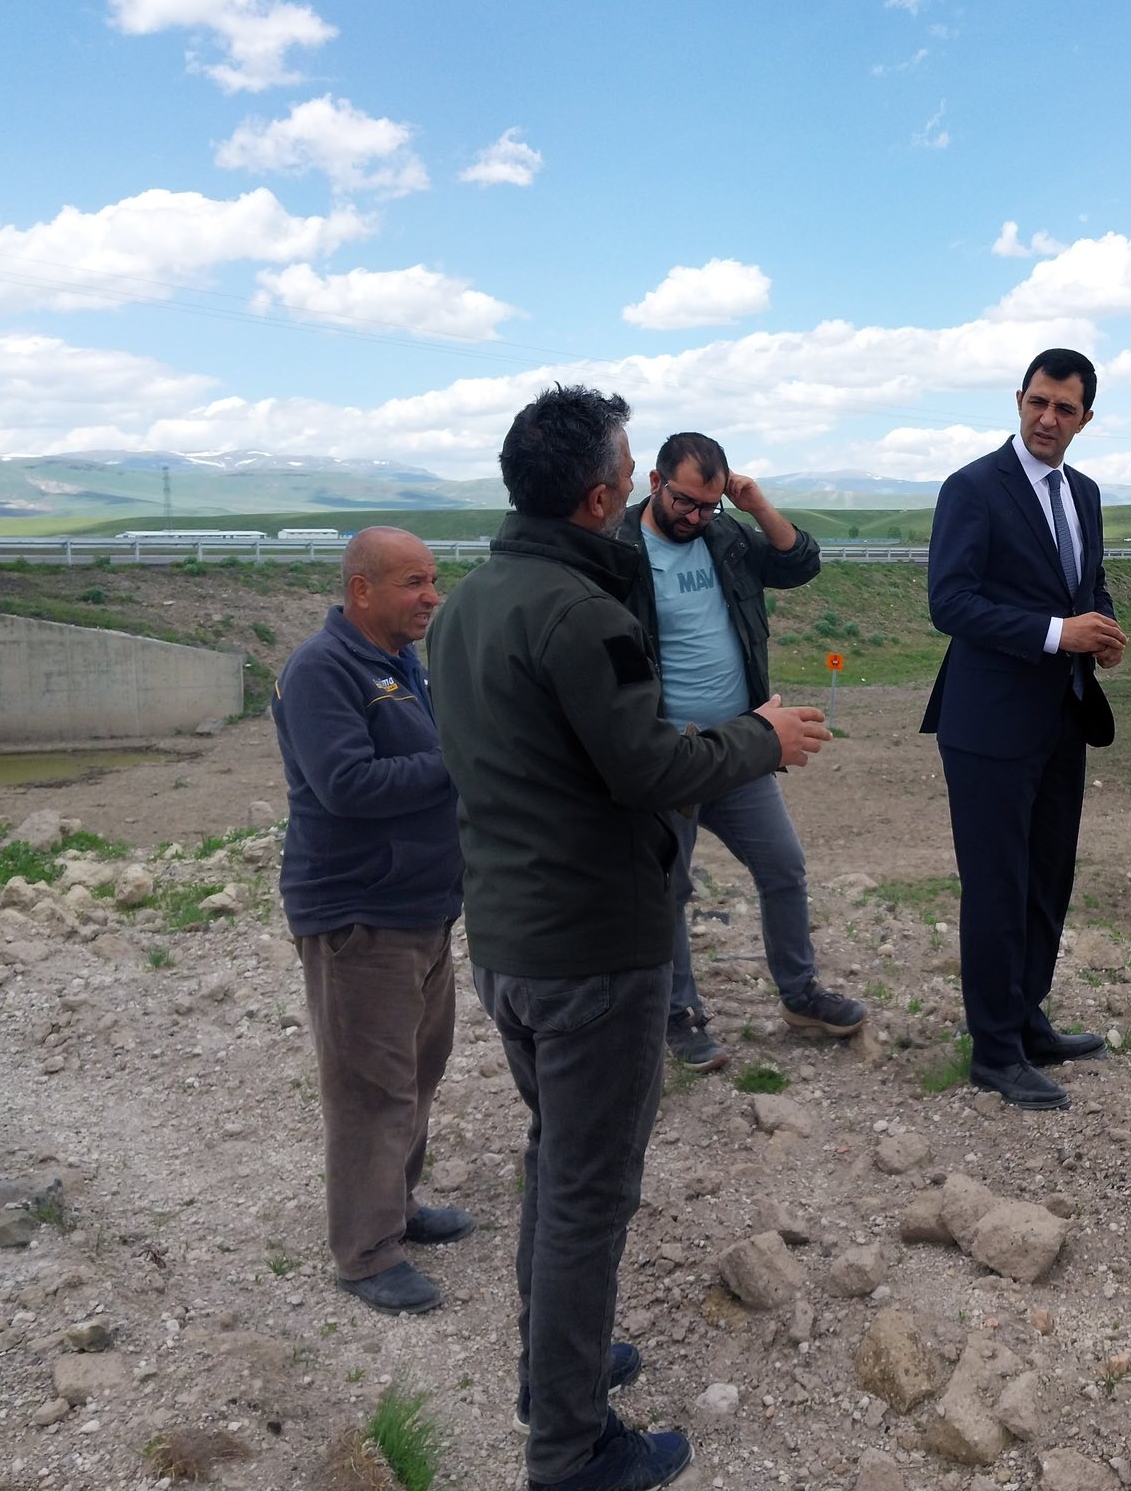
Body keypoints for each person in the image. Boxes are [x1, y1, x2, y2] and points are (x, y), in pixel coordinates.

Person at [428, 385, 831, 1491]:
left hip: (510, 944)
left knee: (554, 1167)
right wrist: (760, 737)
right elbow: (647, 769)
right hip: (592, 952)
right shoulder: (582, 612)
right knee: (585, 1200)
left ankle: (551, 1368)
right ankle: (568, 1446)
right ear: (607, 494)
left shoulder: (469, 602)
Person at [606, 430, 866, 1070]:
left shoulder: (724, 537)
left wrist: (755, 508)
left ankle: (800, 994)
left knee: (783, 866)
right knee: (669, 889)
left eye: (709, 505)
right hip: (668, 752)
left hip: (742, 743)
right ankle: (678, 1016)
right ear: (655, 484)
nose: (695, 517)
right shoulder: (617, 551)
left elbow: (800, 563)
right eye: (686, 503)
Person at [271, 527, 469, 1316]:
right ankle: (364, 1252)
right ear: (361, 590)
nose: (431, 596)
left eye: (433, 580)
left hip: (420, 910)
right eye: (413, 582)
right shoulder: (322, 669)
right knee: (370, 1089)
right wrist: (465, 758)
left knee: (416, 1072)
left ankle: (397, 1207)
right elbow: (346, 783)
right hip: (359, 915)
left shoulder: (397, 664)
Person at [921, 348, 1126, 1111]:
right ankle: (994, 1050)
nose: (1048, 419)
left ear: (1086, 419)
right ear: (1018, 400)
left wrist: (1099, 627)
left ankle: (1027, 1015)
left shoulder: (1086, 492)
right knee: (998, 885)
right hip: (987, 724)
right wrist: (1055, 633)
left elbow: (1087, 582)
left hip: (1061, 717)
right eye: (1038, 402)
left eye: (1064, 409)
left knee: (1048, 879)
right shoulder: (973, 488)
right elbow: (951, 602)